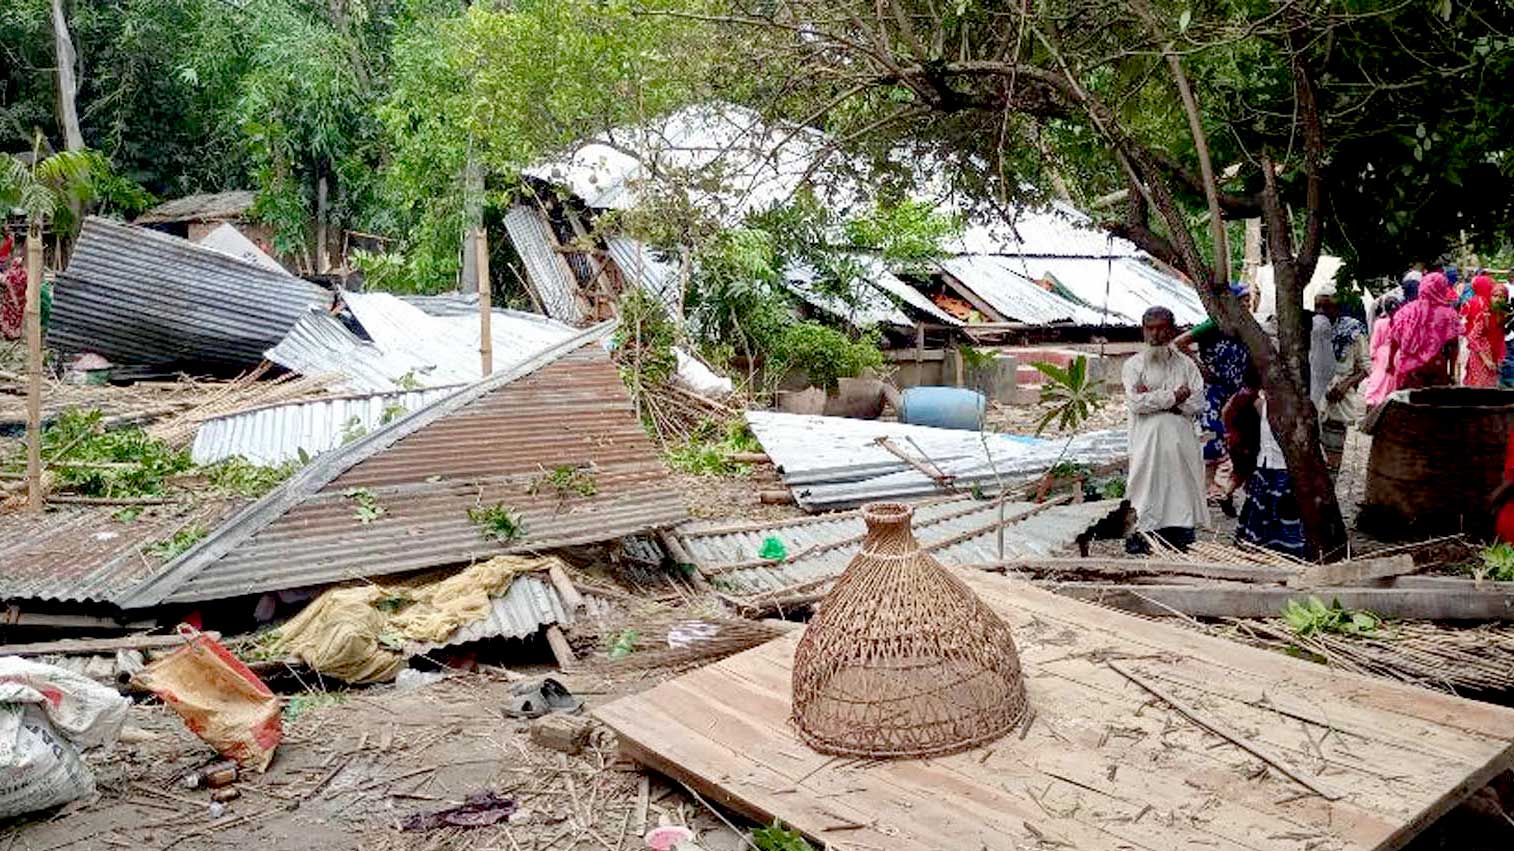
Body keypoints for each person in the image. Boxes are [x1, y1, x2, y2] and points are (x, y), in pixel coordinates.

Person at [1122, 306, 1208, 553]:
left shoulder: (1186, 365)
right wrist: (1174, 396)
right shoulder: (1133, 366)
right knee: (1144, 488)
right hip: (1145, 444)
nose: (1156, 334)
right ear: (1143, 330)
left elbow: (1197, 402)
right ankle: (1141, 542)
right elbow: (1136, 403)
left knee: (1179, 490)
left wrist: (1159, 400)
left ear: (1172, 330)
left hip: (1181, 443)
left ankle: (1179, 541)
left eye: (1162, 328)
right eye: (1151, 328)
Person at [1235, 390, 1309, 559]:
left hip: (1285, 465)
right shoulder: (1262, 400)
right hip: (1267, 463)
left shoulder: (1296, 401)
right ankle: (1266, 551)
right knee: (1265, 508)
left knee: (1284, 511)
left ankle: (1287, 552)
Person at [1314, 283, 1370, 477]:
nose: (1321, 311)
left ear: (1338, 308)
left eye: (1327, 306)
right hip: (1313, 400)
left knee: (1333, 458)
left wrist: (1345, 385)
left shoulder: (1353, 331)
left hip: (1339, 402)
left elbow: (1364, 368)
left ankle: (1329, 497)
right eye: (1318, 307)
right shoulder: (1310, 328)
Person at [1388, 271, 1462, 390]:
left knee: (1408, 404)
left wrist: (1390, 363)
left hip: (1408, 370)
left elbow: (1394, 339)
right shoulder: (1449, 314)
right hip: (1436, 370)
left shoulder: (1405, 311)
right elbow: (1453, 347)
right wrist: (1452, 373)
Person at [1460, 274, 1504, 388]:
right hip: (1482, 349)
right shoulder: (1488, 308)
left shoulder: (1469, 302)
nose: (1498, 299)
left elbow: (1462, 323)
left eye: (1501, 296)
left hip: (1471, 344)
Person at [1363, 293, 1403, 405]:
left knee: (1378, 378)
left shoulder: (1380, 323)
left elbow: (1375, 342)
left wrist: (1372, 355)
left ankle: (1373, 400)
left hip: (1381, 355)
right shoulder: (1401, 322)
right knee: (1391, 379)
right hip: (1397, 355)